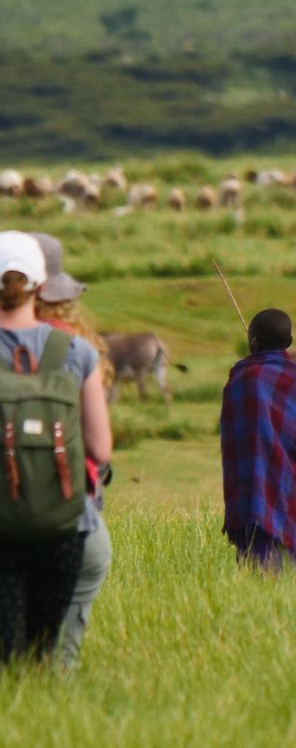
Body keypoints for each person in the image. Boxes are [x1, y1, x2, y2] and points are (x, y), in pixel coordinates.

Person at [0, 231, 112, 663]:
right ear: (42, 285)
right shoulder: (77, 351)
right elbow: (101, 451)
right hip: (66, 525)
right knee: (46, 651)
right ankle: (53, 706)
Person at [32, 232, 113, 669]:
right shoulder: (76, 348)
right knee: (83, 579)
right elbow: (99, 449)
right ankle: (57, 684)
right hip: (67, 509)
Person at [220, 308, 296, 572]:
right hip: (289, 483)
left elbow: (233, 439)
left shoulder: (241, 377)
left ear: (254, 342)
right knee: (286, 566)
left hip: (251, 489)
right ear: (289, 343)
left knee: (255, 563)